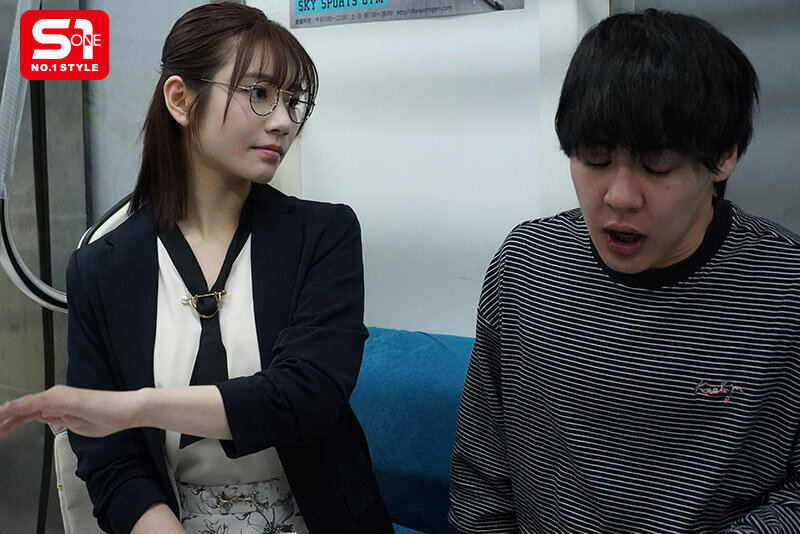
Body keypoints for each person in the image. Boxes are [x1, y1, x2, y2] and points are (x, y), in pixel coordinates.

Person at [0, 3, 392, 534]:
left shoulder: (324, 235)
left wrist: (135, 407)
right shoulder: (101, 268)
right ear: (181, 100)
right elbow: (111, 463)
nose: (283, 121)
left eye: (292, 100)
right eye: (259, 93)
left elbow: (306, 396)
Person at [449, 8, 800, 534]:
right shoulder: (526, 265)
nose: (618, 196)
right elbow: (483, 467)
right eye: (594, 158)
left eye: (656, 165)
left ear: (724, 156)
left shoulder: (786, 286)